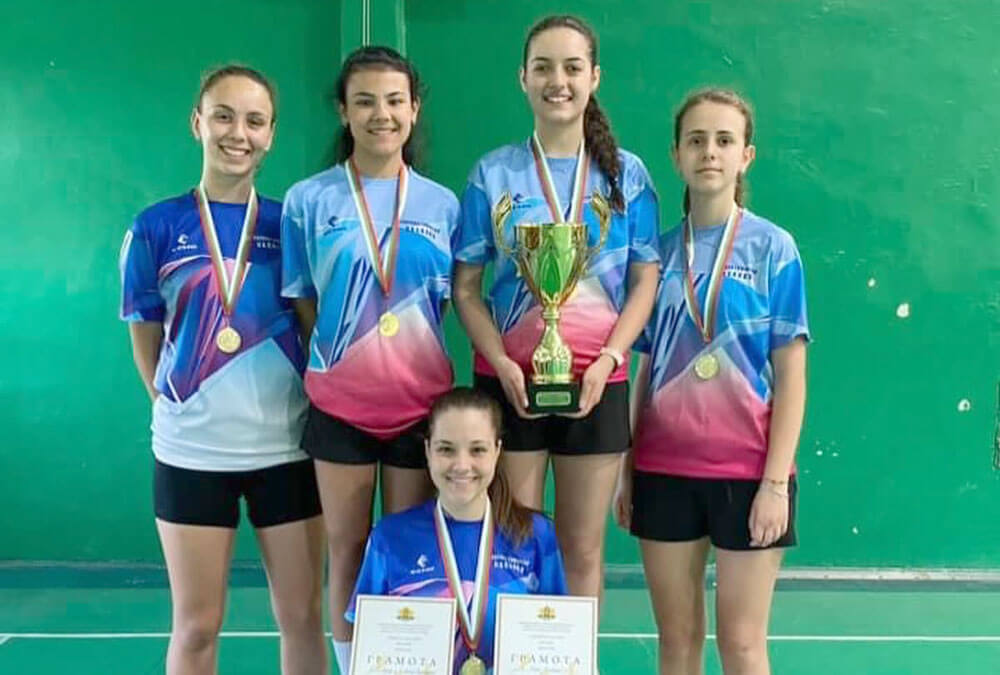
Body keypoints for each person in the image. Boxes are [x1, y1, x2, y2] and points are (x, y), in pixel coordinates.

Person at [119, 65, 326, 675]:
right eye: (224, 116)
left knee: (301, 617)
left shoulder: (290, 225)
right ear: (198, 123)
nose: (239, 133)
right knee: (196, 625)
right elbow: (146, 336)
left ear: (271, 134)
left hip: (287, 450)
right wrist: (178, 411)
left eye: (255, 121)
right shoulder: (155, 228)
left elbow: (313, 329)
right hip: (192, 455)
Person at [452, 14, 660, 603]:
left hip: (598, 383)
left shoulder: (628, 176)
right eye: (543, 67)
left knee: (582, 548)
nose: (558, 81)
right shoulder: (493, 173)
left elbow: (645, 280)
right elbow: (466, 288)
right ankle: (511, 652)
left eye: (572, 67)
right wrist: (501, 361)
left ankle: (575, 653)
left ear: (595, 77)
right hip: (510, 383)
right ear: (523, 78)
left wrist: (610, 357)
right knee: (512, 544)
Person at [617, 88, 809, 675]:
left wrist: (775, 483)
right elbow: (643, 369)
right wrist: (626, 468)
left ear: (746, 156)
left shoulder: (775, 249)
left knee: (742, 643)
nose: (709, 152)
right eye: (696, 140)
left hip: (748, 475)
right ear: (676, 155)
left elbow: (792, 376)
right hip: (664, 472)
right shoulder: (656, 256)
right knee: (676, 641)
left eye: (724, 140)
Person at [280, 45, 459, 674]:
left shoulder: (443, 205)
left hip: (419, 409)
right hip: (340, 408)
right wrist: (345, 359)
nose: (381, 114)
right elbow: (304, 300)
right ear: (344, 111)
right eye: (365, 101)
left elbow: (443, 303)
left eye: (393, 100)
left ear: (414, 109)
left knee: (411, 551)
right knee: (349, 548)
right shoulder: (308, 200)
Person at [348, 387, 567, 674]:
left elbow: (557, 641)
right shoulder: (389, 538)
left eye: (477, 450)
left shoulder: (535, 535)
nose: (462, 465)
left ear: (497, 451)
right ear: (428, 451)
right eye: (446, 449)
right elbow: (370, 650)